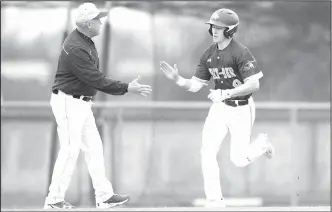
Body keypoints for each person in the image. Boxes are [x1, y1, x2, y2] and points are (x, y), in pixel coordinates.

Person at [160, 8, 274, 208]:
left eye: (219, 27)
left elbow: (254, 84)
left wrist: (227, 93)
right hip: (220, 108)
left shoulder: (241, 51)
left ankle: (262, 145)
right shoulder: (209, 54)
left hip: (241, 108)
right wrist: (177, 79)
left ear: (230, 31)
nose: (214, 30)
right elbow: (195, 85)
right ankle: (214, 201)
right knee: (207, 152)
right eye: (213, 26)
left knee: (238, 160)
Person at [44, 3, 152, 209]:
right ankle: (53, 200)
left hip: (81, 103)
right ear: (86, 23)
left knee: (94, 148)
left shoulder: (85, 41)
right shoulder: (76, 47)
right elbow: (96, 79)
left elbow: (94, 80)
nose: (100, 22)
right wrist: (127, 87)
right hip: (68, 101)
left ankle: (104, 196)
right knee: (69, 151)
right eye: (96, 19)